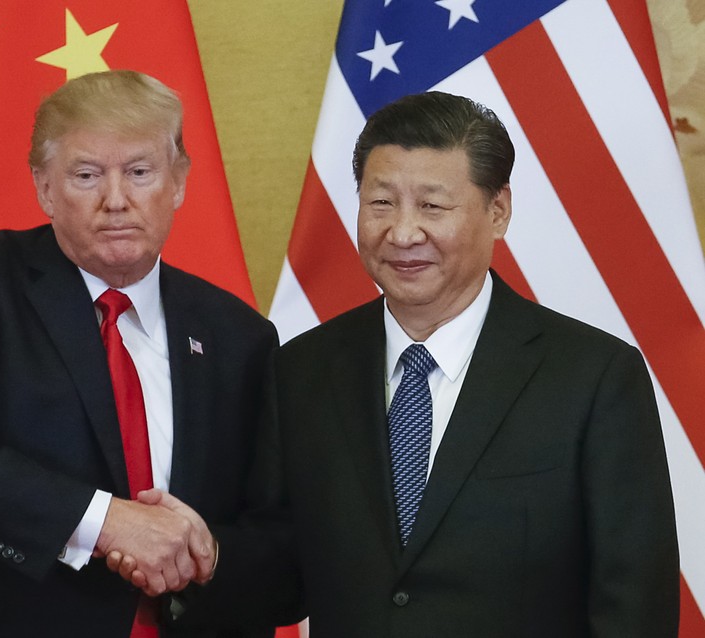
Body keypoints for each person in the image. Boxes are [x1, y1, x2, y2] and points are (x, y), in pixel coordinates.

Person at [167, 91, 679, 637]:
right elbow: (285, 572)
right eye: (381, 203)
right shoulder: (302, 370)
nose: (403, 233)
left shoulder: (593, 377)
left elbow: (634, 602)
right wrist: (209, 555)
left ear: (498, 210)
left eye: (432, 206)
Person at [0, 70, 293, 637]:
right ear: (44, 187)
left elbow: (278, 537)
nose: (117, 200)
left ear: (179, 181)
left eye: (140, 173)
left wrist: (208, 552)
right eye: (87, 175)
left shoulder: (240, 336)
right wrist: (105, 522)